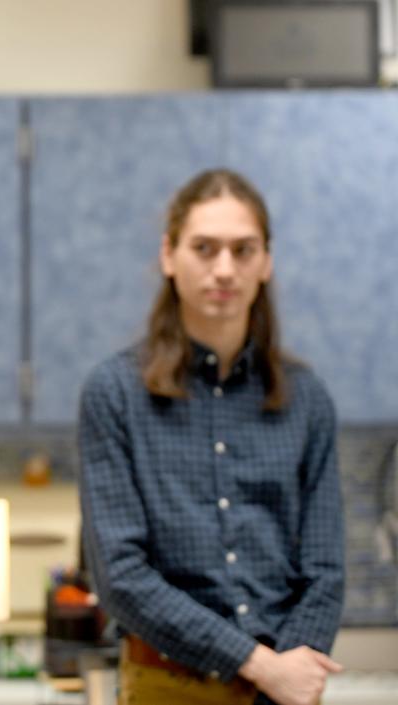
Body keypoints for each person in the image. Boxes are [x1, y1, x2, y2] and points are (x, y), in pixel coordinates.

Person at [78, 169, 345, 705]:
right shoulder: (114, 395)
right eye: (205, 248)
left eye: (243, 250)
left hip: (290, 685)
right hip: (165, 684)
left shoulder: (307, 399)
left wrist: (284, 677)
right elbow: (122, 578)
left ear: (266, 262)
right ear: (169, 255)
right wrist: (257, 665)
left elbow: (326, 569)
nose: (225, 269)